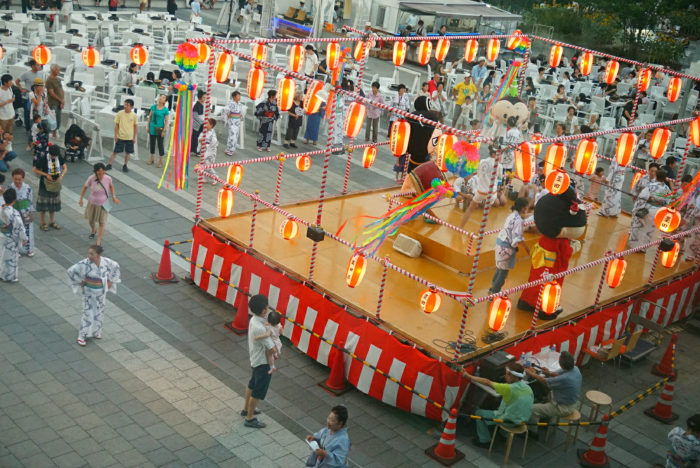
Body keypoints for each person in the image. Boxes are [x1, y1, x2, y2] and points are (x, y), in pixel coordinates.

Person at [464, 362, 534, 448]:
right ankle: (503, 436)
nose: (505, 377)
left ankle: (484, 440)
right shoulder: (528, 388)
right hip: (522, 421)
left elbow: (487, 382)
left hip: (509, 421)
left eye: (508, 375)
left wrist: (468, 376)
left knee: (479, 413)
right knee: (510, 410)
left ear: (516, 377)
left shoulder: (508, 388)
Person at [67, 245, 121, 346]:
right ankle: (82, 335)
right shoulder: (84, 263)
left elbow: (116, 268)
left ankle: (96, 331)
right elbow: (70, 271)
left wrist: (111, 281)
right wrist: (79, 281)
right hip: (89, 292)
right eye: (89, 254)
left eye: (92, 254)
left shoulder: (107, 262)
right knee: (88, 313)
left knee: (99, 312)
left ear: (99, 255)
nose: (89, 256)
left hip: (101, 292)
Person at [524, 351, 582, 441]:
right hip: (569, 401)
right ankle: (543, 419)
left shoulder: (564, 379)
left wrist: (531, 373)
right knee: (546, 392)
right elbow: (559, 375)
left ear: (561, 365)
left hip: (562, 407)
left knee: (532, 409)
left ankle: (532, 433)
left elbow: (544, 381)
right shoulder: (575, 369)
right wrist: (549, 374)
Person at [244, 294, 275, 428]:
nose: (268, 309)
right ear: (263, 310)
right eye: (267, 307)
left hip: (255, 358)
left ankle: (246, 409)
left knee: (252, 384)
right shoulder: (260, 328)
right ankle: (249, 418)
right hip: (263, 363)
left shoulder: (254, 320)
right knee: (257, 391)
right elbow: (272, 349)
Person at [459, 147, 506, 228]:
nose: (500, 156)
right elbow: (499, 178)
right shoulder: (499, 166)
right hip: (492, 193)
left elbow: (478, 173)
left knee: (470, 209)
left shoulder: (482, 161)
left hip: (480, 191)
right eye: (499, 155)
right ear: (494, 154)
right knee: (486, 213)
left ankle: (460, 227)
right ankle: (480, 232)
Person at [491, 198, 530, 294]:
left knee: (500, 267)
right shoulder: (519, 220)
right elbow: (518, 238)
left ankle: (492, 287)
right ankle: (495, 292)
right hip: (506, 247)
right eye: (525, 208)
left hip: (499, 243)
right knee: (503, 272)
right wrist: (527, 247)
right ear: (522, 208)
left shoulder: (511, 215)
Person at [629, 170, 671, 250]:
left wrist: (639, 206)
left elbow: (642, 197)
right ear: (665, 178)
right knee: (649, 230)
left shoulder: (651, 186)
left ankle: (635, 246)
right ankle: (643, 248)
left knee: (639, 227)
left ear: (656, 177)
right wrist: (660, 202)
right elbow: (668, 201)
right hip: (658, 211)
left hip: (647, 209)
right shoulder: (667, 189)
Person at [79, 163, 120, 246]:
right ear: (96, 172)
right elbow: (85, 187)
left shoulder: (108, 178)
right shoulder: (91, 178)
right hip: (92, 203)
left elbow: (111, 186)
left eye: (102, 171)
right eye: (99, 172)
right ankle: (93, 229)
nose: (101, 173)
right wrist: (81, 198)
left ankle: (98, 240)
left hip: (103, 204)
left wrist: (114, 196)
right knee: (91, 220)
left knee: (102, 223)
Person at [32, 144, 65, 233]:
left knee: (52, 203)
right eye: (52, 155)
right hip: (45, 184)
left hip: (55, 183)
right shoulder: (44, 159)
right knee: (43, 203)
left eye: (55, 155)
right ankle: (42, 222)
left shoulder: (59, 157)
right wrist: (46, 174)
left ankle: (51, 221)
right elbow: (35, 170)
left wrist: (61, 176)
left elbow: (65, 167)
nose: (54, 157)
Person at [0, 188, 27, 282]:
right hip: (11, 238)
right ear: (14, 200)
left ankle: (1, 273)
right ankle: (8, 277)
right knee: (11, 258)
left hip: (2, 235)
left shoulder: (1, 209)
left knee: (2, 255)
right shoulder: (14, 213)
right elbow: (19, 227)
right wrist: (24, 238)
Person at [106, 99, 137, 173]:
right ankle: (110, 164)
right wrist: (116, 135)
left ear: (131, 107)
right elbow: (117, 125)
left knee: (128, 152)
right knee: (115, 151)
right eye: (125, 104)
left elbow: (135, 127)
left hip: (129, 137)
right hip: (121, 136)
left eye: (127, 105)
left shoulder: (134, 115)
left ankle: (125, 165)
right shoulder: (120, 113)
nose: (125, 106)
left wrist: (134, 137)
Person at [16, 60, 45, 136]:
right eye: (37, 65)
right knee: (28, 113)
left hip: (38, 96)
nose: (39, 66)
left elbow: (42, 85)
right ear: (33, 66)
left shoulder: (41, 73)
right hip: (29, 97)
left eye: (39, 65)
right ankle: (28, 129)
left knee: (38, 113)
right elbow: (17, 81)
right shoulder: (26, 74)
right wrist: (22, 89)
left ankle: (37, 128)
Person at [11, 169, 32, 257]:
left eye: (19, 179)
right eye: (15, 179)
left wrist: (31, 210)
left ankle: (30, 249)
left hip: (26, 210)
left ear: (22, 179)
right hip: (15, 211)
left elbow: (30, 200)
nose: (17, 181)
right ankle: (17, 249)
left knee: (29, 230)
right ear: (12, 178)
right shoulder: (10, 188)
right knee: (16, 230)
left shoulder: (27, 187)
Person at [147, 94, 168, 167]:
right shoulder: (153, 107)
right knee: (152, 143)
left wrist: (164, 131)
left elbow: (166, 121)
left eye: (163, 97)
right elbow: (150, 117)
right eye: (161, 96)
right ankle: (151, 158)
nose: (161, 98)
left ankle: (160, 161)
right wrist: (148, 126)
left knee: (160, 145)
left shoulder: (165, 110)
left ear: (165, 101)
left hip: (160, 129)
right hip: (152, 127)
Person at [223, 91, 243, 155]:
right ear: (234, 97)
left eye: (239, 96)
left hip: (237, 121)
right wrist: (227, 115)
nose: (239, 97)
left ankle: (232, 149)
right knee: (232, 135)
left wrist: (240, 117)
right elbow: (225, 109)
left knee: (236, 135)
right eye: (238, 96)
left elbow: (241, 112)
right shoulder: (231, 103)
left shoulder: (240, 104)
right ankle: (228, 149)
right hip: (232, 121)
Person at [199, 118, 218, 184]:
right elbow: (200, 137)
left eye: (207, 123)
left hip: (211, 151)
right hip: (205, 150)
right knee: (204, 164)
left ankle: (215, 177)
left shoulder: (212, 133)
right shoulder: (204, 131)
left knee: (208, 166)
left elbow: (215, 143)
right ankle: (204, 178)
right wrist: (200, 140)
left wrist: (208, 146)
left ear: (211, 125)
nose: (205, 124)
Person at [190, 90, 206, 156]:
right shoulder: (196, 106)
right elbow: (195, 115)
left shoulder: (204, 105)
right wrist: (203, 121)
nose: (205, 99)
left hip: (203, 122)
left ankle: (200, 150)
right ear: (200, 97)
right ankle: (196, 150)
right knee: (196, 137)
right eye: (204, 97)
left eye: (205, 97)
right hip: (198, 123)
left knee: (202, 136)